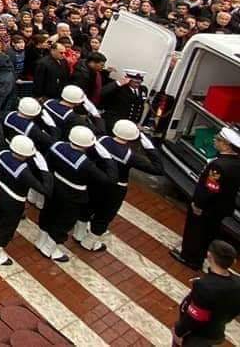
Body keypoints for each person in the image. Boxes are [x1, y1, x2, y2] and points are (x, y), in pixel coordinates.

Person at [74, 118, 162, 252]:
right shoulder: (130, 156)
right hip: (115, 188)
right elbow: (158, 169)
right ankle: (89, 242)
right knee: (104, 214)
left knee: (89, 205)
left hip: (96, 180)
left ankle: (78, 233)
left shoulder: (100, 140)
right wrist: (148, 145)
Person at [38, 125, 116, 263]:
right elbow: (109, 180)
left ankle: (41, 240)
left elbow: (47, 164)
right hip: (73, 194)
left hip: (55, 186)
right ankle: (49, 249)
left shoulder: (57, 146)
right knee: (64, 221)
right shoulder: (86, 163)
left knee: (49, 213)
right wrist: (108, 160)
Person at [0, 135, 52, 266]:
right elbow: (46, 190)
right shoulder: (24, 171)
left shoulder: (2, 154)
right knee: (8, 226)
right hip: (14, 199)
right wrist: (45, 170)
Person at [174, 127, 240, 270]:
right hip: (221, 207)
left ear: (226, 145)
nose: (214, 140)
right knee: (209, 233)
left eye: (218, 139)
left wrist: (198, 204)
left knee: (196, 231)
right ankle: (199, 255)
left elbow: (210, 189)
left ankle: (190, 258)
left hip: (208, 207)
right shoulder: (235, 162)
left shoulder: (219, 165)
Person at [173, 240, 240, 346]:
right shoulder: (237, 283)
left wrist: (178, 332)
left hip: (196, 337)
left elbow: (194, 318)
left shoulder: (204, 287)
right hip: (216, 332)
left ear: (209, 256)